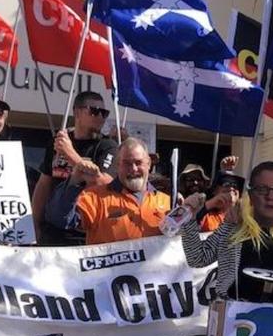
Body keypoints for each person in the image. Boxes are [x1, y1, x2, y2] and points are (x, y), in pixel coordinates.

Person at [180, 161, 273, 306]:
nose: (270, 196)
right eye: (262, 189)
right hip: (233, 318)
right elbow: (197, 258)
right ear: (250, 195)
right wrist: (189, 218)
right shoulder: (234, 226)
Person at [44, 137, 170, 245]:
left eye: (138, 162)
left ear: (149, 164)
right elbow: (59, 219)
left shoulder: (167, 202)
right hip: (111, 273)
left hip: (155, 273)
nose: (133, 169)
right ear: (117, 166)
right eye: (126, 163)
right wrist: (74, 180)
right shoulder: (95, 197)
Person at [32, 91, 117, 245]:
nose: (100, 117)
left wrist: (70, 154)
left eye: (104, 113)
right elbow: (44, 184)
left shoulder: (107, 146)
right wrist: (35, 223)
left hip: (84, 232)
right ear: (77, 112)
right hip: (53, 228)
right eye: (94, 111)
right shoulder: (58, 142)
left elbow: (106, 184)